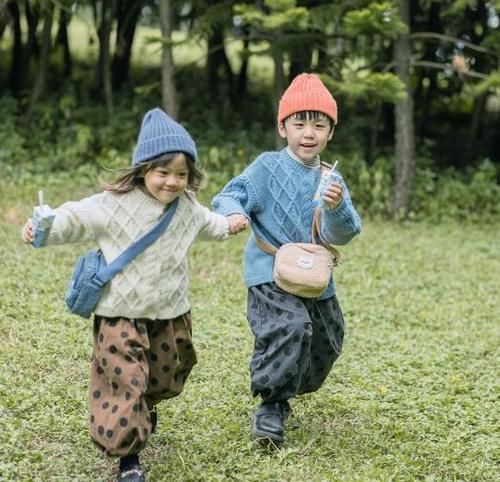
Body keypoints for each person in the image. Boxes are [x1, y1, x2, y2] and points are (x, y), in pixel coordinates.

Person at [22, 108, 247, 481]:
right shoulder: (114, 204)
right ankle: (130, 460)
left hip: (170, 312)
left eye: (181, 174)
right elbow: (76, 218)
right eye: (163, 172)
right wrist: (43, 227)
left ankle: (147, 406)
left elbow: (210, 223)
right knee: (126, 381)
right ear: (143, 168)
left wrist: (229, 225)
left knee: (165, 375)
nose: (172, 182)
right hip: (120, 313)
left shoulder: (187, 208)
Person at [212, 73, 362, 444]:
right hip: (270, 271)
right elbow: (230, 194)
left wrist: (337, 206)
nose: (308, 132)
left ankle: (285, 388)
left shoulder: (331, 177)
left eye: (318, 124)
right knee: (289, 328)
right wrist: (234, 215)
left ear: (331, 131)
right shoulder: (265, 167)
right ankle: (270, 405)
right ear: (283, 127)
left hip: (314, 274)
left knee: (329, 339)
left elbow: (345, 233)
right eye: (299, 123)